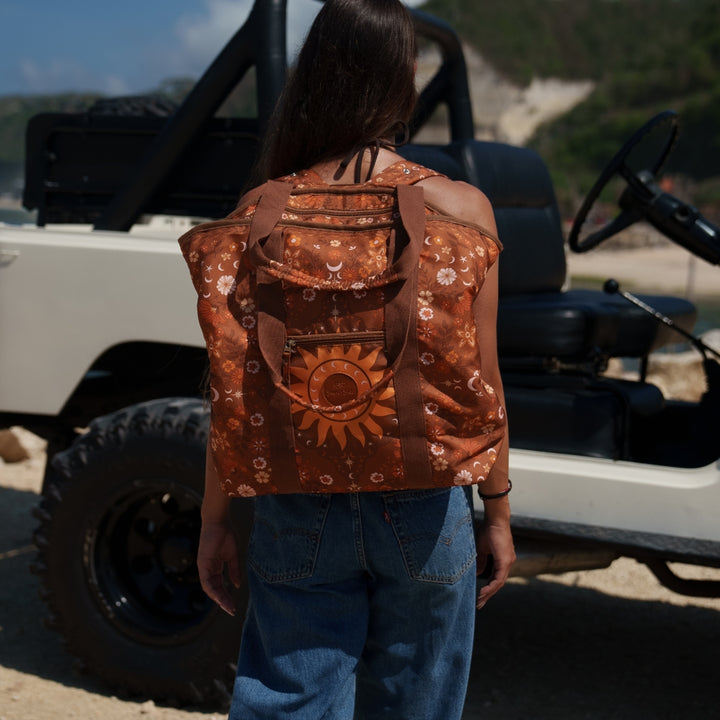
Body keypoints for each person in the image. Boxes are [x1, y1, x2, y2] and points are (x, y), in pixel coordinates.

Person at [192, 0, 515, 717]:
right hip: (427, 500)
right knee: (418, 702)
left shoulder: (260, 213)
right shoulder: (461, 209)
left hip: (297, 498)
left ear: (316, 77)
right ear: (403, 79)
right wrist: (496, 509)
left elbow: (233, 394)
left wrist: (215, 520)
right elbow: (482, 384)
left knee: (292, 698)